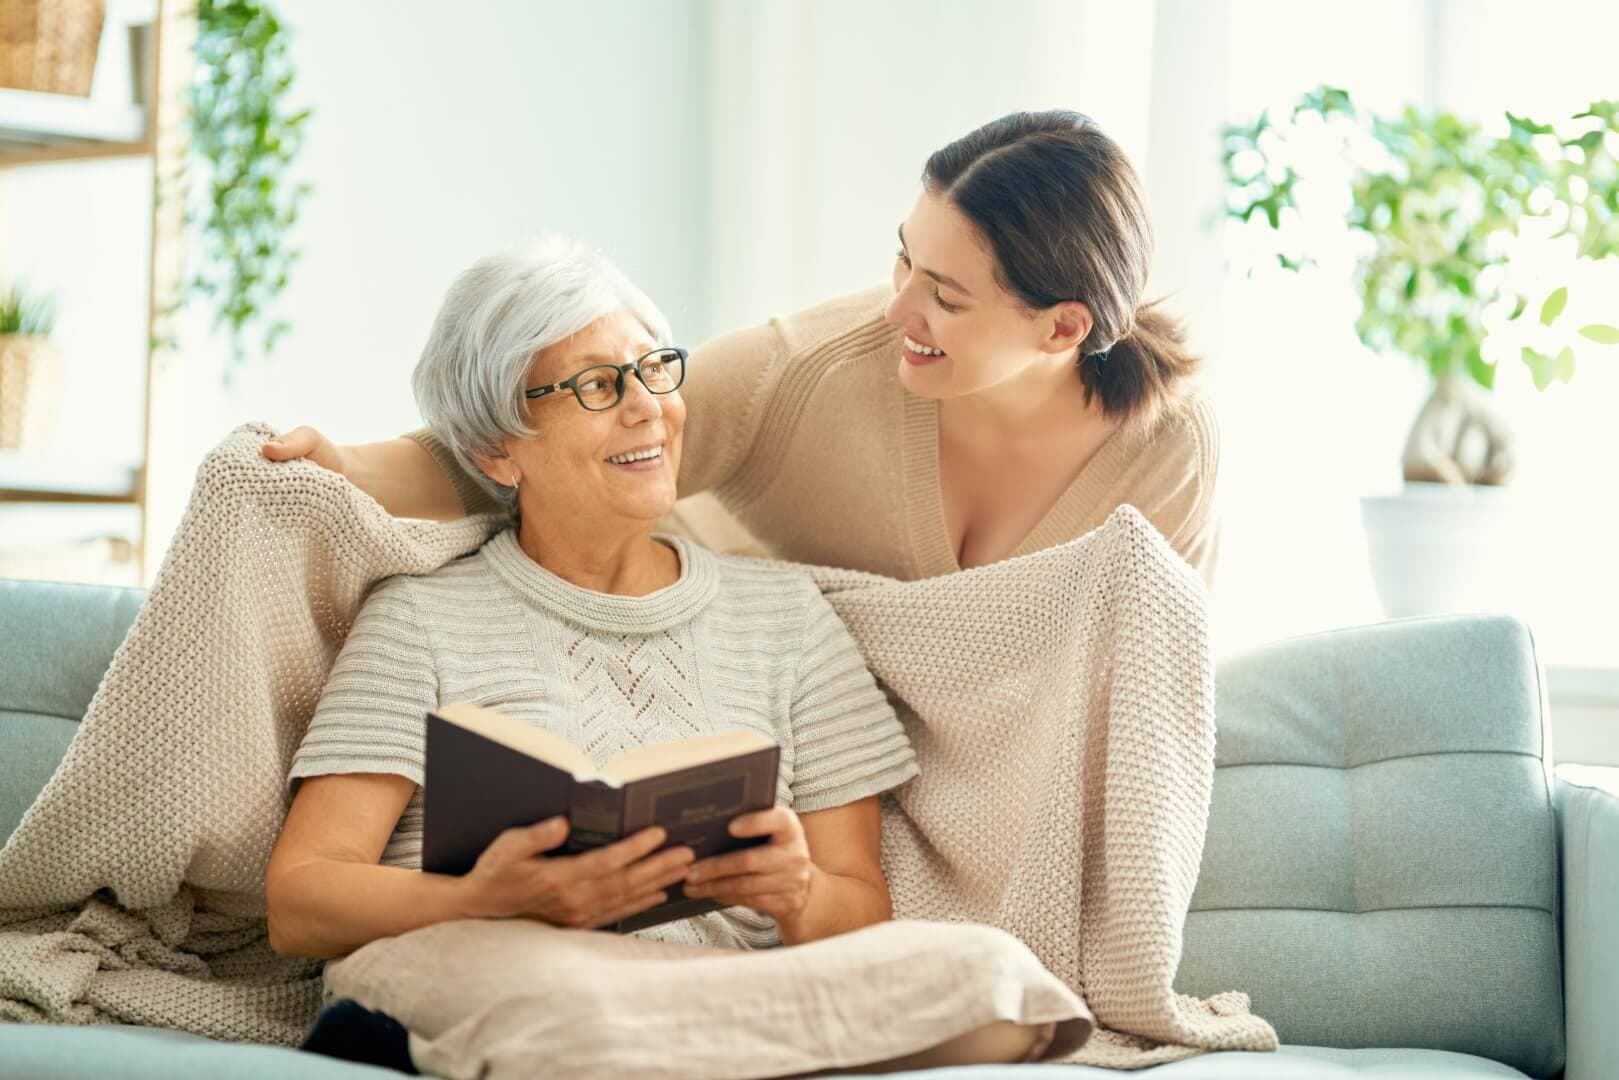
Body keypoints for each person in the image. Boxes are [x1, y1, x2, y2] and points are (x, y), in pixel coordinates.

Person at [264, 237, 919, 963]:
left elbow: (861, 909)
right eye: (597, 386)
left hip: (717, 997)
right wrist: (484, 900)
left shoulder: (788, 615)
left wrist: (797, 891)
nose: (647, 409)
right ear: (495, 451)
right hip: (499, 972)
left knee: (989, 974)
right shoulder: (420, 618)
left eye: (653, 370)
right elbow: (298, 902)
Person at [263, 109, 1220, 584]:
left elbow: (1139, 684)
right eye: (901, 262)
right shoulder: (804, 372)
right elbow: (546, 443)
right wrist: (345, 465)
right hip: (725, 700)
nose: (895, 313)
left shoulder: (1167, 455)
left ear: (1063, 327)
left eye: (946, 297)